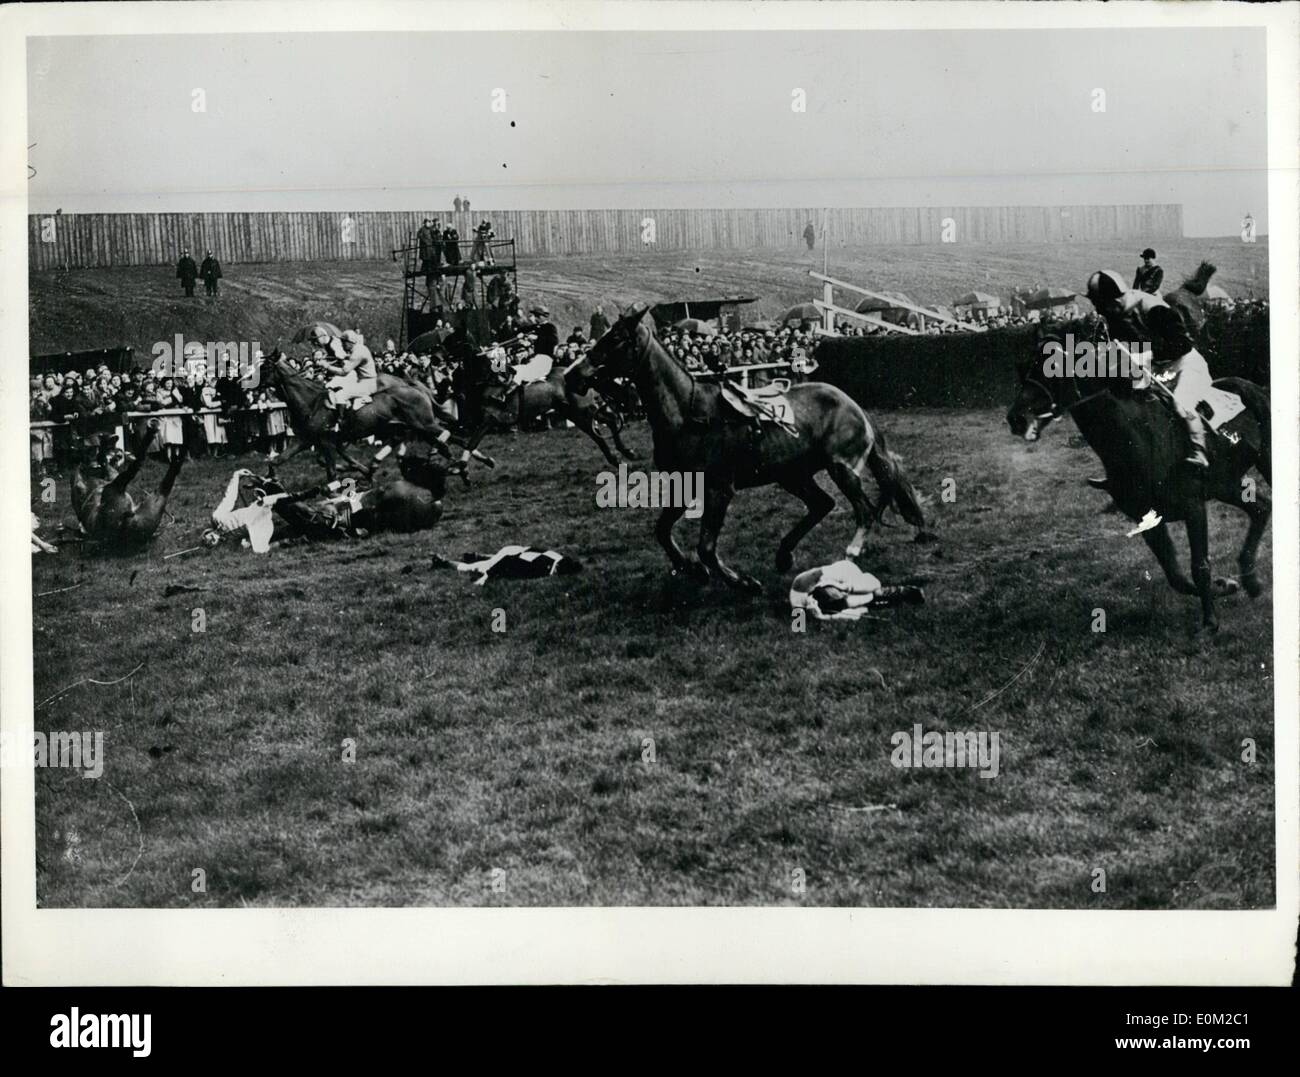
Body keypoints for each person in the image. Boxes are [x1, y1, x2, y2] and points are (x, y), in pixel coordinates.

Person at [1085, 269, 1210, 469]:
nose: (1100, 312)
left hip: (1185, 365)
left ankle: (1199, 451)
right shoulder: (1116, 314)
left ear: (1115, 301)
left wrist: (1145, 355)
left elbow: (1182, 344)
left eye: (1101, 306)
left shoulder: (1153, 309)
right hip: (1155, 370)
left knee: (1181, 403)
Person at [324, 329, 379, 414]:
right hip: (364, 382)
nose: (342, 345)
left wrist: (327, 366)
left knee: (340, 394)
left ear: (350, 342)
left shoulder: (358, 352)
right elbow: (348, 357)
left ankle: (340, 422)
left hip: (367, 385)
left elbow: (343, 372)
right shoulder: (359, 348)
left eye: (343, 342)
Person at [417, 218, 442, 287]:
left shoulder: (430, 229)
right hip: (425, 247)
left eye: (429, 222)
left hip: (430, 246)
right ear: (424, 223)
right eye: (427, 222)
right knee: (425, 258)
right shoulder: (422, 229)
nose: (428, 223)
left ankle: (429, 268)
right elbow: (419, 235)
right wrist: (424, 241)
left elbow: (434, 234)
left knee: (430, 257)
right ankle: (424, 269)